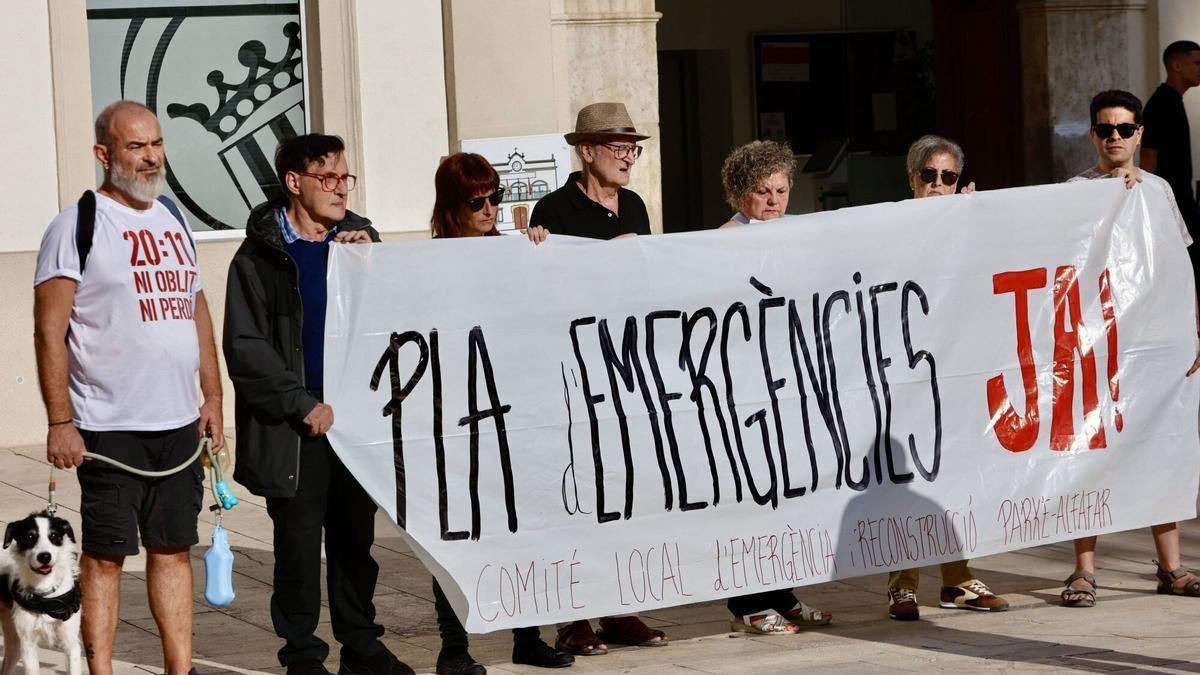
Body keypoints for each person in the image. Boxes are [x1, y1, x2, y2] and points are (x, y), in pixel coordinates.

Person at [33, 100, 224, 675]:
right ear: (104, 154)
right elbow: (49, 328)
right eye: (136, 146)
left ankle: (179, 667)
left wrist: (212, 397)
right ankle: (102, 669)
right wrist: (60, 420)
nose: (151, 157)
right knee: (106, 556)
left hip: (177, 423)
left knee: (172, 550)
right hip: (107, 425)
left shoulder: (172, 218)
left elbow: (196, 309)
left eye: (156, 144)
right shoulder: (76, 225)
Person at [223, 134, 414, 675]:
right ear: (294, 183)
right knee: (299, 551)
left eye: (344, 178)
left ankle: (362, 645)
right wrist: (300, 403)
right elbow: (246, 345)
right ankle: (303, 654)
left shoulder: (358, 244)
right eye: (327, 178)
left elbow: (398, 322)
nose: (339, 189)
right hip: (297, 429)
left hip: (355, 426)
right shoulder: (260, 256)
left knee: (357, 547)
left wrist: (371, 260)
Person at [425, 152, 571, 674]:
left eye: (496, 198)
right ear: (452, 205)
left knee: (523, 525)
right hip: (457, 416)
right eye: (476, 200)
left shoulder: (513, 252)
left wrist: (539, 253)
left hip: (516, 411)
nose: (489, 209)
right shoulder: (429, 263)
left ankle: (527, 635)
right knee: (455, 532)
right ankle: (454, 647)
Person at [530, 102, 666, 656]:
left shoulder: (632, 204)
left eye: (632, 147)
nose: (628, 157)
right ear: (587, 150)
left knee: (623, 490)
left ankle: (616, 606)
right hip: (573, 365)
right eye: (618, 147)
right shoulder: (554, 209)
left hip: (627, 362)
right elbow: (548, 287)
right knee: (577, 490)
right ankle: (571, 616)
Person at [1062, 90, 1200, 607]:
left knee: (1163, 446)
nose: (1114, 137)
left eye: (1123, 128)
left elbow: (1178, 263)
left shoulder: (1161, 190)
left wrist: (1193, 327)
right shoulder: (1075, 190)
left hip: (1158, 343)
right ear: (1093, 134)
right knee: (1093, 450)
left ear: (1139, 132)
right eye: (1105, 129)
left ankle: (1172, 566)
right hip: (1101, 343)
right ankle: (1083, 570)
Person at [885, 135, 1008, 621]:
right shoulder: (886, 224)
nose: (938, 185)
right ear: (912, 179)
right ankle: (902, 584)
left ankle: (957, 579)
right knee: (904, 476)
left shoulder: (968, 222)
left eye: (948, 177)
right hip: (902, 368)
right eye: (929, 175)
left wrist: (973, 221)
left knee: (951, 472)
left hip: (955, 366)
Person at [715, 139, 834, 634]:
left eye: (781, 190)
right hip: (743, 385)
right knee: (750, 495)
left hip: (788, 381)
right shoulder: (722, 241)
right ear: (741, 193)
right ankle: (747, 603)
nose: (773, 201)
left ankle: (780, 592)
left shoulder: (795, 235)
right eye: (762, 191)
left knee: (786, 495)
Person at [529, 101, 651, 239]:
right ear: (587, 152)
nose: (631, 160)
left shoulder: (634, 203)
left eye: (633, 150)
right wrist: (608, 250)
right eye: (621, 149)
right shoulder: (551, 209)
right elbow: (547, 261)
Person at [1141, 40, 1200, 294]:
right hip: (1170, 205)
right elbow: (1148, 154)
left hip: (1182, 202)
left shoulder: (1173, 100)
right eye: (1196, 62)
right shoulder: (1161, 103)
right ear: (1177, 65)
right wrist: (1149, 202)